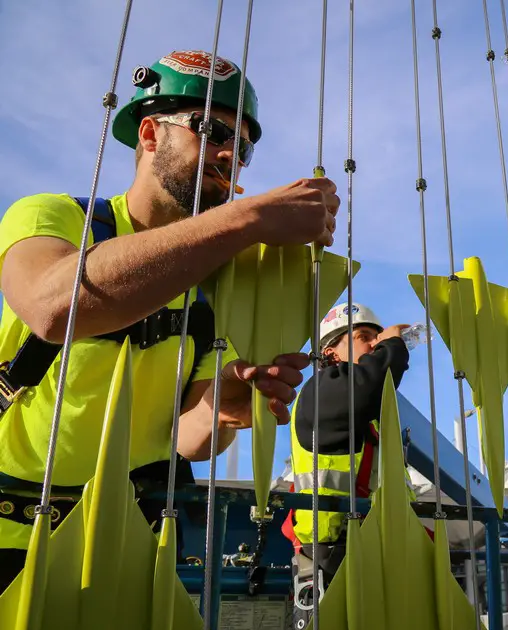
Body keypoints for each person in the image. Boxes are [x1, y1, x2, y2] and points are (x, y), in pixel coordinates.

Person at [0, 49, 340, 593]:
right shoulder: (56, 216)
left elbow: (189, 442)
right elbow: (51, 306)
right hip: (9, 538)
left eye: (244, 145)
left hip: (127, 548)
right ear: (151, 133)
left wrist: (224, 406)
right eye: (210, 129)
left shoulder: (215, 279)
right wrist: (247, 218)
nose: (230, 153)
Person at [283, 302, 418, 630]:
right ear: (331, 352)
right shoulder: (321, 391)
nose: (373, 344)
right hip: (331, 552)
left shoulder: (369, 422)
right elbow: (366, 387)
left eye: (376, 337)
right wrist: (393, 345)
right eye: (362, 337)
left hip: (379, 546)